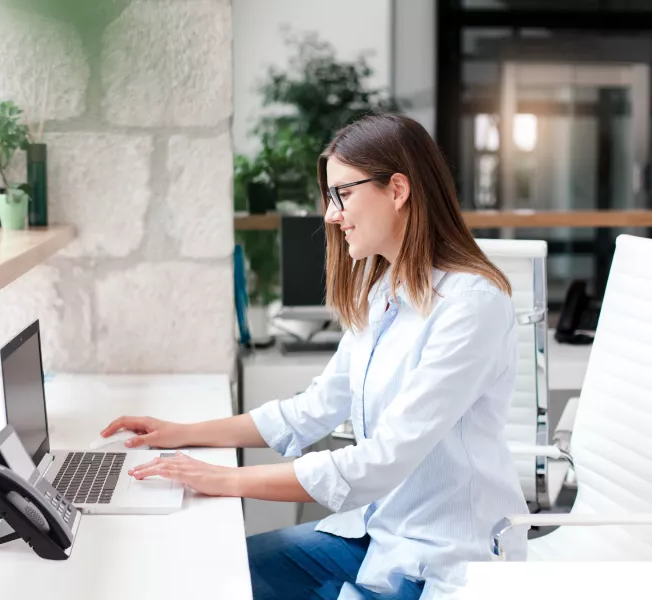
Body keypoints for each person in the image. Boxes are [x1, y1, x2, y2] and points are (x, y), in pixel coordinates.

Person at [100, 114, 528, 599]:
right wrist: (182, 433)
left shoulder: (472, 305)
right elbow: (311, 409)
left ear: (398, 189)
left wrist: (225, 479)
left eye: (342, 194)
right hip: (373, 538)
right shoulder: (384, 292)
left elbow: (381, 462)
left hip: (438, 562)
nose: (331, 214)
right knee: (213, 576)